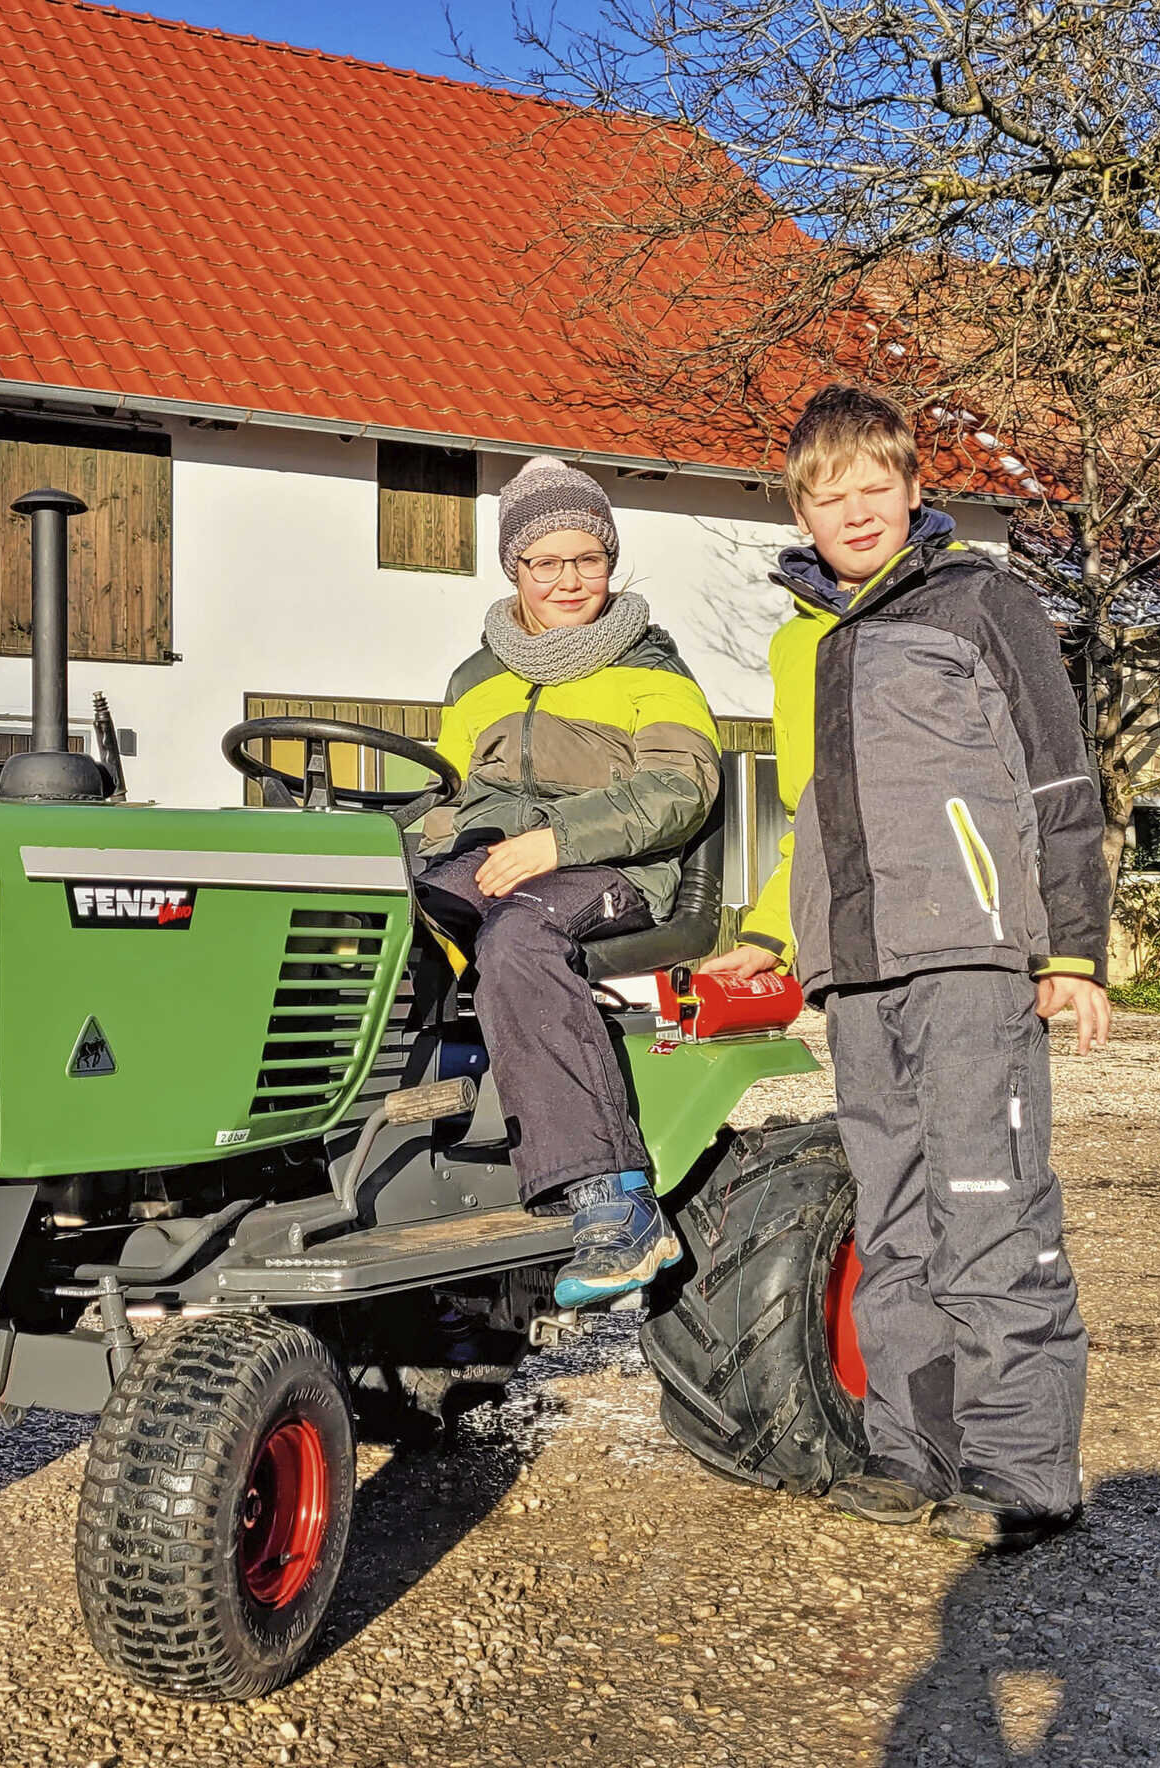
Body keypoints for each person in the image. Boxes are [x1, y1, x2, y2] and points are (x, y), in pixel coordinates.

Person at [700, 384, 1112, 1549]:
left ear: (913, 489)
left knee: (988, 1204)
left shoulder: (983, 600)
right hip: (858, 970)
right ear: (801, 510)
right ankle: (906, 1453)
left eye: (873, 489)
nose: (854, 512)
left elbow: (1055, 780)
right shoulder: (801, 641)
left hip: (974, 954)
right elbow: (809, 818)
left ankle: (1023, 1472)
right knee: (890, 1223)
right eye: (828, 497)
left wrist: (1071, 951)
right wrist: (774, 937)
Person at [418, 455, 720, 1307]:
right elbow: (449, 800)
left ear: (611, 561)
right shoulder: (474, 679)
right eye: (545, 562)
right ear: (514, 567)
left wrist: (560, 839)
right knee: (398, 920)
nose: (568, 580)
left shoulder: (652, 665)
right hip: (498, 863)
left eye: (587, 558)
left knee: (518, 938)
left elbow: (681, 786)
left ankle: (615, 1198)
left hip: (614, 870)